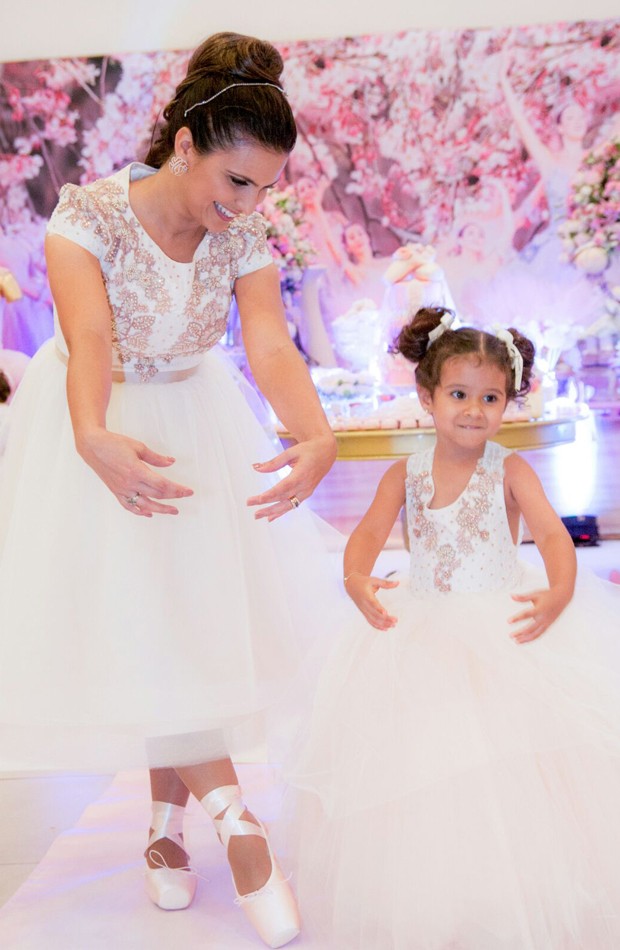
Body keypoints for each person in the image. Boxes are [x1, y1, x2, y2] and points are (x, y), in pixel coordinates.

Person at [0, 31, 341, 949]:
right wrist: (91, 435)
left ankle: (162, 829)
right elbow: (90, 338)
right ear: (184, 145)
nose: (251, 204)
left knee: (182, 620)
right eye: (238, 181)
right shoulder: (90, 216)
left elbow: (268, 343)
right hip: (99, 419)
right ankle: (239, 824)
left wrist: (316, 432)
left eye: (266, 187)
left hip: (197, 418)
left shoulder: (244, 231)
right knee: (147, 621)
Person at [286, 306, 620, 948]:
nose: (474, 410)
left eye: (490, 397)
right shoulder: (403, 473)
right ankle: (439, 888)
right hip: (426, 626)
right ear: (427, 396)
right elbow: (365, 539)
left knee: (518, 756)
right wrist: (356, 579)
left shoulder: (510, 469)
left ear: (508, 403)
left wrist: (557, 594)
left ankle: (524, 882)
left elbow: (553, 535)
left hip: (502, 621)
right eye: (459, 394)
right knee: (429, 758)